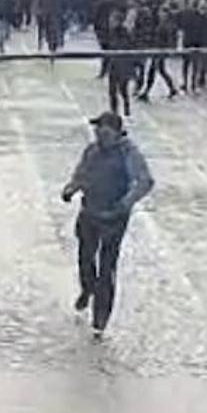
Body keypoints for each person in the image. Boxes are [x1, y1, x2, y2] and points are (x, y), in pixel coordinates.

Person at [61, 111, 154, 337]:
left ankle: (100, 317)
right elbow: (81, 173)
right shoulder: (92, 151)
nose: (99, 135)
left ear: (115, 132)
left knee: (107, 267)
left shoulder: (129, 154)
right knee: (84, 258)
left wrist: (126, 203)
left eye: (103, 131)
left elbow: (145, 181)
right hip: (89, 212)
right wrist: (71, 188)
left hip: (113, 217)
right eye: (97, 131)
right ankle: (87, 289)